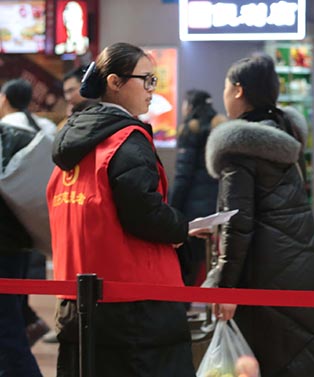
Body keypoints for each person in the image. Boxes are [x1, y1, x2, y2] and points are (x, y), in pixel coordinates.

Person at [48, 42, 194, 377]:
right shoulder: (126, 139)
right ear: (114, 81)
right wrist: (181, 228)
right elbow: (144, 211)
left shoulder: (73, 144)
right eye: (146, 80)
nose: (151, 91)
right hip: (133, 306)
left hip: (76, 297)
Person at [204, 54, 314, 377]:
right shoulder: (286, 133)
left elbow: (238, 222)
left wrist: (225, 287)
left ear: (237, 90)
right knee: (303, 358)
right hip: (302, 270)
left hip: (264, 277)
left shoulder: (241, 146)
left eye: (224, 87)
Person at [0, 120, 45, 376]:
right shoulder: (12, 137)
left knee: (7, 333)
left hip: (4, 248)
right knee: (9, 327)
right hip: (17, 243)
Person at [169, 89, 225, 285]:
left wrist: (172, 207)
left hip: (191, 208)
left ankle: (182, 308)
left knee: (186, 264)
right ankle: (207, 309)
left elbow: (183, 175)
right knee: (207, 259)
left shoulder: (190, 129)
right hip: (214, 206)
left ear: (190, 106)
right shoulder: (220, 129)